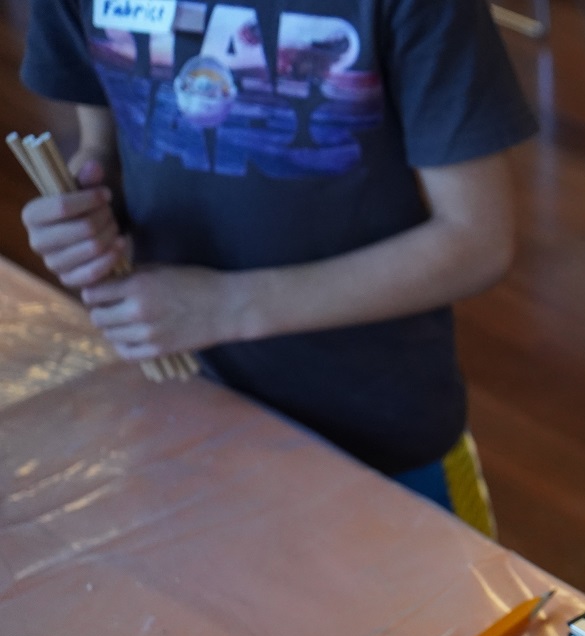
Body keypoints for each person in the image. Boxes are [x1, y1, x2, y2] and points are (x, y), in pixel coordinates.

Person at [17, 0, 538, 535]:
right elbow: (106, 143)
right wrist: (84, 210)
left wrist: (225, 308)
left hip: (375, 426)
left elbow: (476, 241)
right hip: (184, 403)